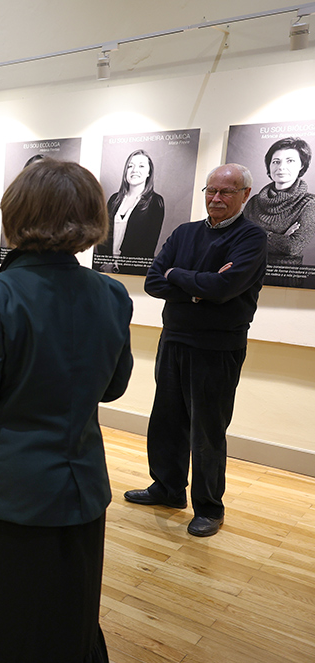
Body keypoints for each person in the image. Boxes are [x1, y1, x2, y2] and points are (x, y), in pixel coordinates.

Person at [0, 159, 134, 663]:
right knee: (65, 618)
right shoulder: (110, 293)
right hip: (79, 490)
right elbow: (115, 386)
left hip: (1, 495)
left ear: (17, 215)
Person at [124, 163, 267, 537]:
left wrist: (181, 277)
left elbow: (226, 288)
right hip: (174, 338)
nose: (216, 198)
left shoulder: (251, 238)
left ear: (244, 195)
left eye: (227, 192)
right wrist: (198, 285)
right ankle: (168, 489)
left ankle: (209, 507)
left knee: (207, 430)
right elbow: (155, 280)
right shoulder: (184, 232)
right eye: (211, 191)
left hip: (217, 347)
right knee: (166, 421)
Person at [243, 137, 315, 287]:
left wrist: (258, 233)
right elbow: (240, 240)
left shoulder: (309, 203)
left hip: (285, 283)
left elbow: (293, 247)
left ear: (302, 166)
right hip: (247, 278)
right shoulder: (254, 202)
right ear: (269, 166)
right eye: (276, 161)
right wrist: (280, 237)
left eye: (290, 161)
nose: (281, 167)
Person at [95, 148, 166, 273]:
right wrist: (106, 263)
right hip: (105, 270)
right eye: (130, 166)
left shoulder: (155, 202)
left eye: (141, 166)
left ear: (149, 172)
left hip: (133, 272)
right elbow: (103, 235)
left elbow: (147, 245)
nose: (134, 170)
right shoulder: (114, 199)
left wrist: (119, 266)